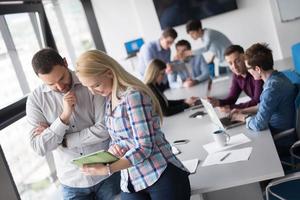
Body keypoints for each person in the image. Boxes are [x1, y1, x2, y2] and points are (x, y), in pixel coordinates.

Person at [75, 50, 191, 200]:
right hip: (132, 180)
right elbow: (118, 138)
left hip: (159, 173)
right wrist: (114, 149)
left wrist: (108, 169)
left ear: (109, 73)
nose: (93, 92)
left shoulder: (133, 96)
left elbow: (144, 147)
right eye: (88, 87)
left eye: (96, 84)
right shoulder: (110, 101)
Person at [26, 48, 120, 200]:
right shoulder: (35, 100)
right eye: (51, 84)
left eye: (62, 78)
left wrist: (62, 140)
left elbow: (105, 129)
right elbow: (39, 147)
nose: (60, 86)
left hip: (107, 173)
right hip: (72, 182)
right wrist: (63, 117)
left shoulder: (90, 81)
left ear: (65, 62)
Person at [231, 43, 297, 137]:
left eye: (248, 68)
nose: (248, 71)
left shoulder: (271, 89)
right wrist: (242, 110)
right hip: (275, 130)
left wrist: (241, 117)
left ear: (257, 69)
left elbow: (258, 124)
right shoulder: (279, 77)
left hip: (279, 137)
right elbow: (263, 106)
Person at [207, 45, 263, 112]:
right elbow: (232, 98)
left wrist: (231, 107)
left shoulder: (255, 72)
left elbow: (257, 101)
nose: (234, 66)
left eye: (237, 61)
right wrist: (218, 102)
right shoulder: (237, 75)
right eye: (230, 63)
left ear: (244, 58)